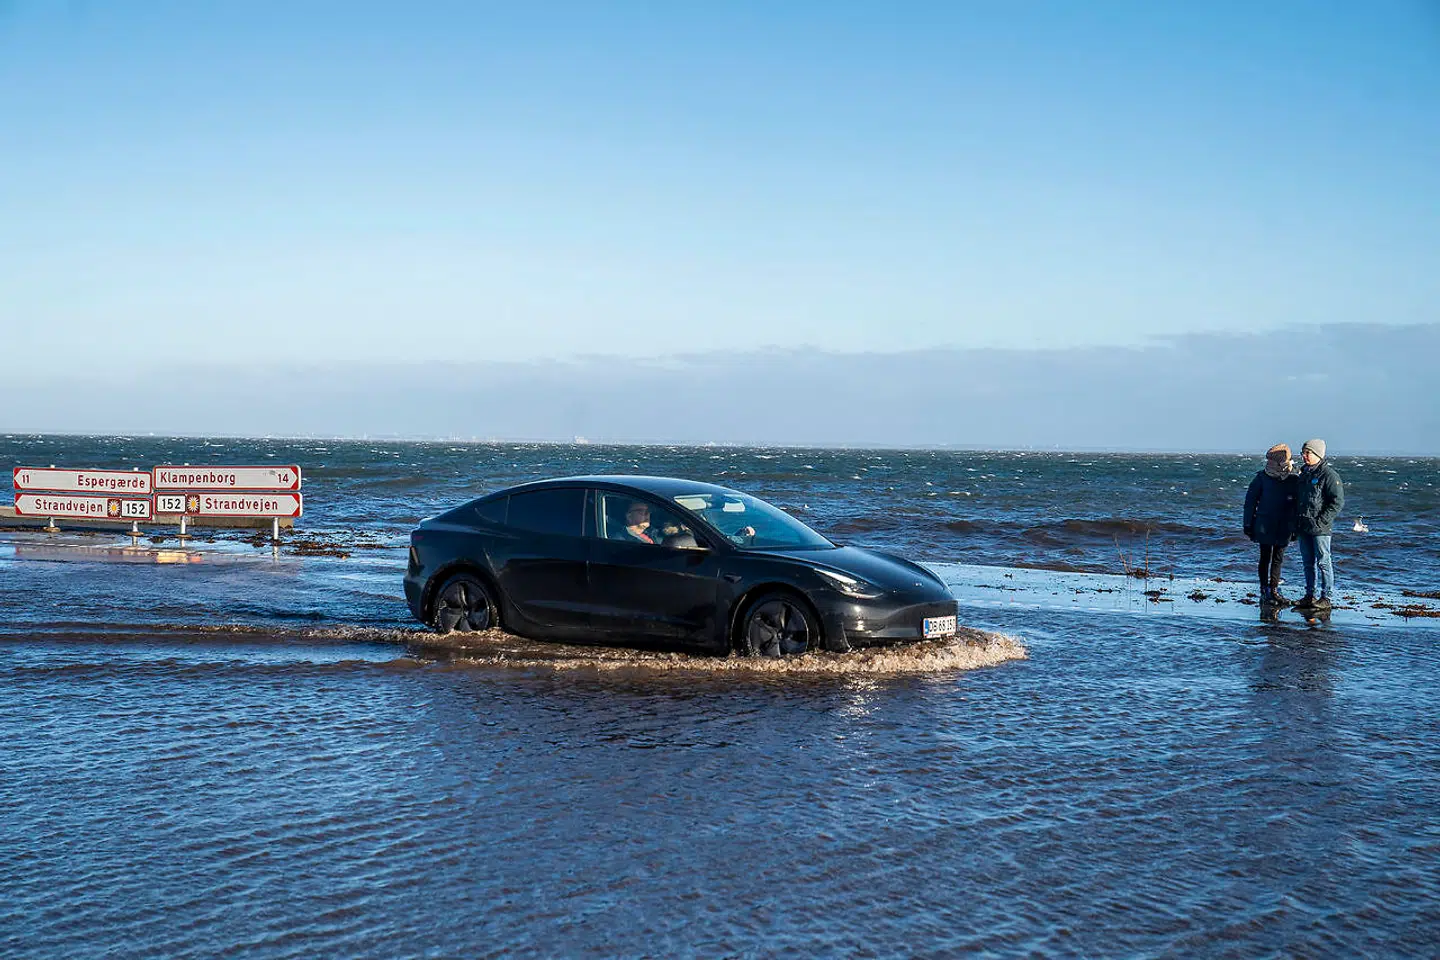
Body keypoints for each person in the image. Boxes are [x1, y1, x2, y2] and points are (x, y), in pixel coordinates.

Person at [1243, 443, 1299, 605]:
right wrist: (1248, 524)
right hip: (1264, 523)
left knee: (1278, 558)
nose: (1269, 464)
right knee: (1265, 556)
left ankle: (1273, 589)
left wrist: (1296, 526)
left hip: (1284, 524)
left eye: (1272, 460)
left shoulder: (1294, 478)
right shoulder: (1262, 477)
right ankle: (1264, 588)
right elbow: (1250, 502)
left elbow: (1298, 504)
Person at [1293, 438, 1345, 611]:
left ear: (1318, 454)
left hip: (1320, 528)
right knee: (1307, 562)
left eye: (1308, 453)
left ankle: (1326, 597)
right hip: (1303, 526)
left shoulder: (1329, 475)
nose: (1305, 456)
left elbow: (1337, 502)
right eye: (1303, 453)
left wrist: (1322, 520)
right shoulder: (1303, 474)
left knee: (1323, 562)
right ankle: (1309, 595)